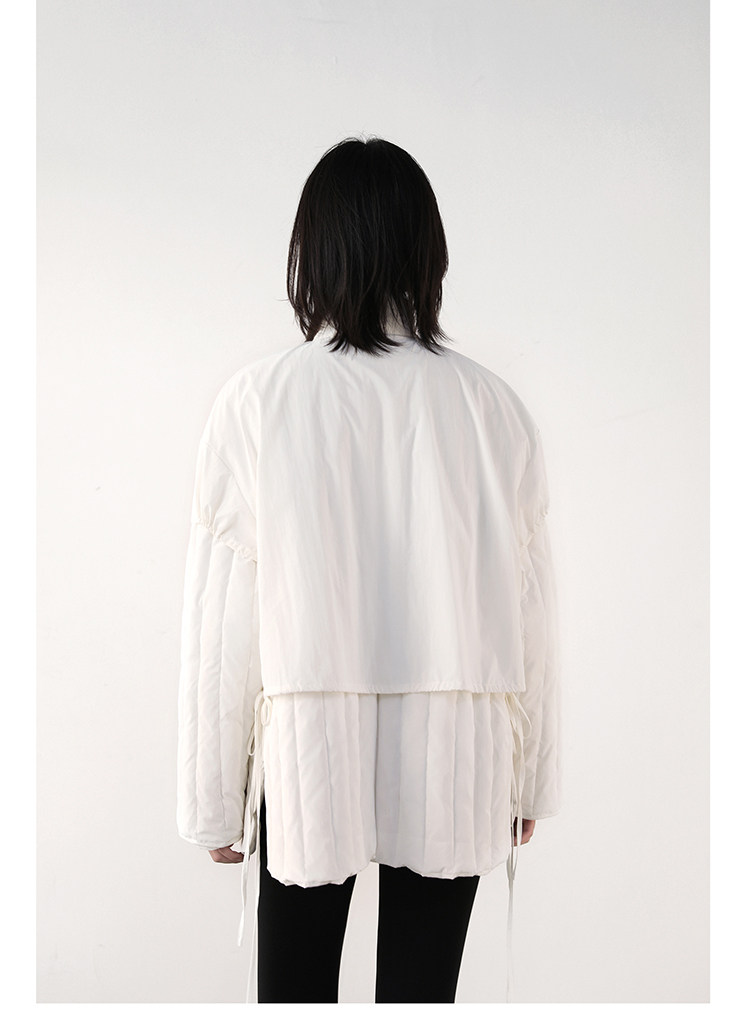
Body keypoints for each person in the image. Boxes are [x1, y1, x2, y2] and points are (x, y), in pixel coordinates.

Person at [176, 136, 562, 1003]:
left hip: (309, 754)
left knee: (295, 992)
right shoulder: (493, 409)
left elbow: (224, 620)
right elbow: (532, 610)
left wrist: (212, 797)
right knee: (423, 995)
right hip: (459, 749)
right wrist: (529, 776)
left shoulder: (258, 402)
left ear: (312, 248)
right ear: (428, 250)